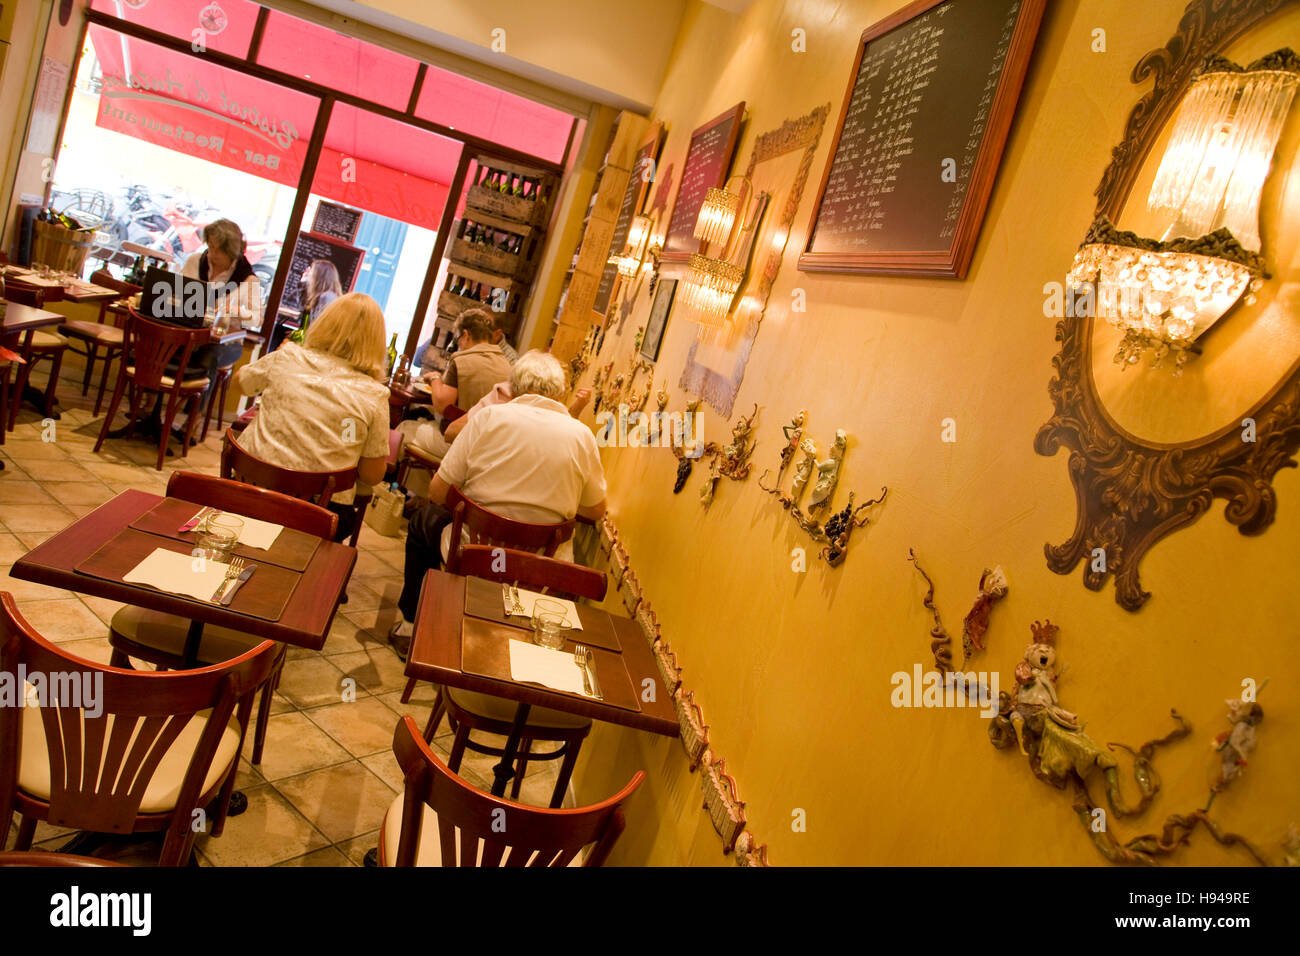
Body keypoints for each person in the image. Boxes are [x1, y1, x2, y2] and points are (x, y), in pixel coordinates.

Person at [389, 351, 607, 655]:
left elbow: (438, 492)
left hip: (474, 554)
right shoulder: (581, 435)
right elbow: (596, 509)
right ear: (561, 393)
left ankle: (412, 626)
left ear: (513, 388)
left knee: (424, 521)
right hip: (538, 570)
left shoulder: (489, 418)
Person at [232, 292, 391, 541]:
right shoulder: (374, 395)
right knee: (345, 514)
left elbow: (240, 383)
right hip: (316, 515)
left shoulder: (287, 357)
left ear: (325, 322)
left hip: (250, 490)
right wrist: (346, 437)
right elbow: (371, 474)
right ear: (376, 344)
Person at [396, 307, 511, 471]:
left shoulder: (463, 359)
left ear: (466, 335)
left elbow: (442, 404)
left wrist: (435, 378)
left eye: (458, 339)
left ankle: (383, 487)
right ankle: (421, 495)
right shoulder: (506, 365)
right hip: (489, 452)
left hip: (460, 445)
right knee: (427, 425)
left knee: (405, 428)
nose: (459, 345)